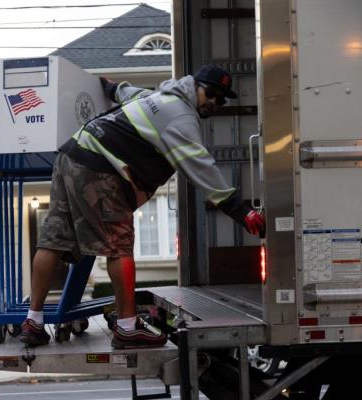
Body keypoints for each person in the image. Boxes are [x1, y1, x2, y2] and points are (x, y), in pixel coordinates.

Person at [19, 64, 266, 349]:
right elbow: (201, 166)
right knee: (119, 246)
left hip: (71, 155)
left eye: (221, 99)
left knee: (53, 240)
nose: (214, 102)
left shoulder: (154, 97)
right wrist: (240, 210)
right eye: (211, 93)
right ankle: (127, 327)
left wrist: (107, 86)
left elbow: (123, 91)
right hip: (100, 169)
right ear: (194, 86)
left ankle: (33, 322)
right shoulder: (182, 118)